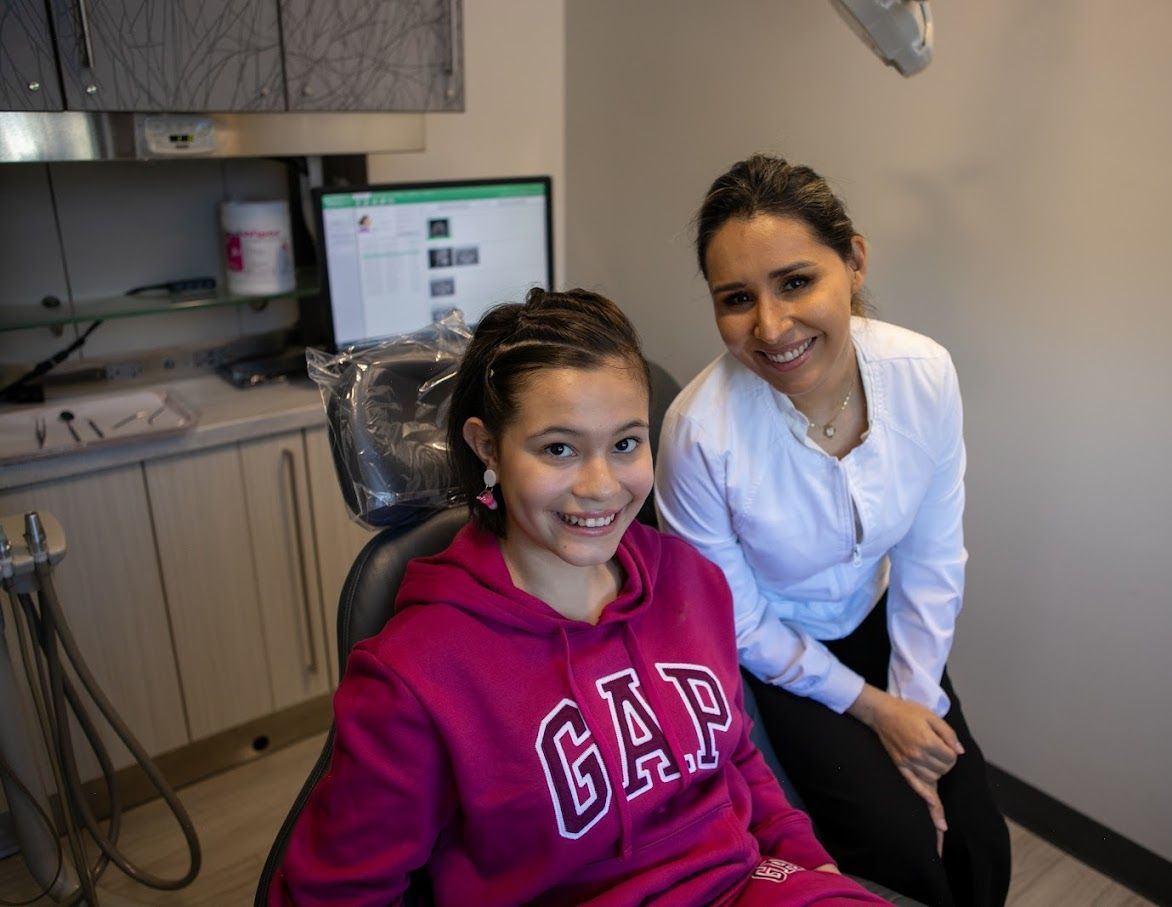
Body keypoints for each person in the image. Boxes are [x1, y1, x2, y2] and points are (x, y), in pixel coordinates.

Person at [269, 288, 892, 905]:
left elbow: (737, 760)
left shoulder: (689, 581)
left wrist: (813, 868)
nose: (601, 488)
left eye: (625, 444)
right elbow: (332, 895)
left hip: (747, 886)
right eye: (558, 449)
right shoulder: (417, 677)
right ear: (488, 447)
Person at [655, 156, 1011, 906]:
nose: (771, 326)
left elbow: (931, 552)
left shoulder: (923, 373)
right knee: (903, 854)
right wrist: (874, 708)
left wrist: (913, 703)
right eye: (736, 298)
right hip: (771, 656)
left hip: (882, 624)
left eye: (795, 281)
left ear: (852, 261)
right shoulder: (698, 434)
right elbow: (737, 618)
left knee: (978, 843)